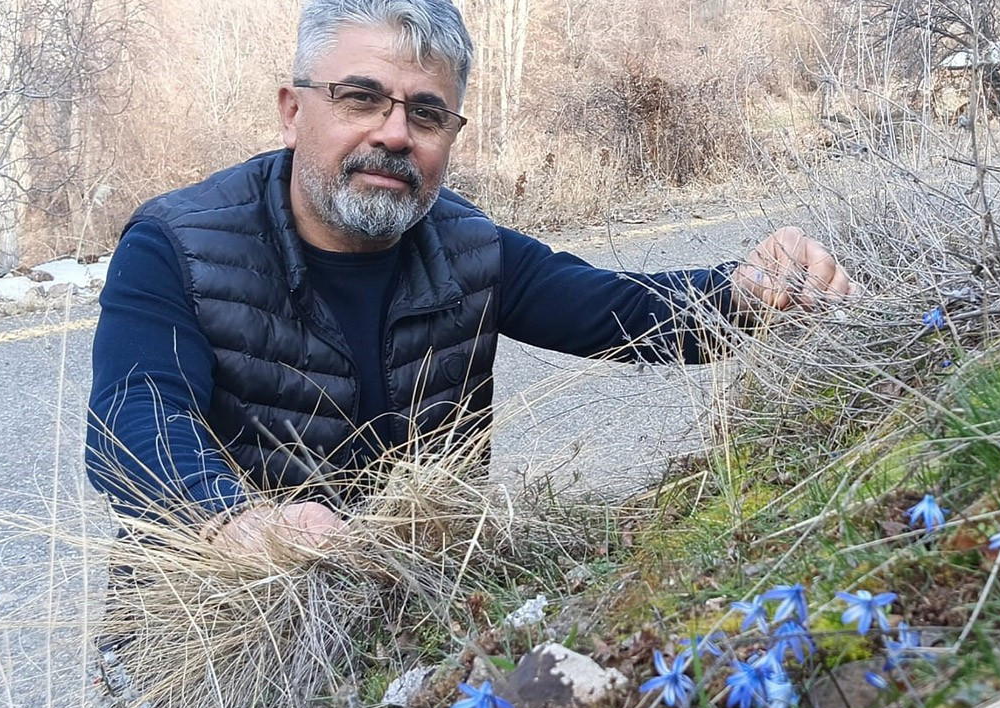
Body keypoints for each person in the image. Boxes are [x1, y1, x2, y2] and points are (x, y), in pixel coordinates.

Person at [84, 0, 854, 558]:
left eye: (426, 113)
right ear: (292, 112)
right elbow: (133, 418)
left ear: (450, 134)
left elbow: (624, 312)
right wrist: (236, 523)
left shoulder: (468, 245)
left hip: (410, 597)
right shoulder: (175, 244)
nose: (393, 133)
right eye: (359, 98)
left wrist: (749, 290)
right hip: (224, 619)